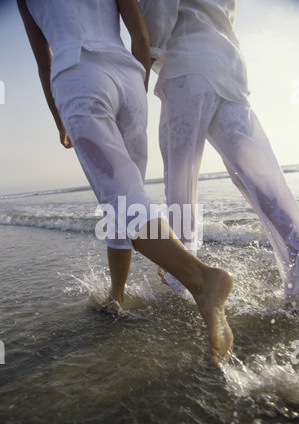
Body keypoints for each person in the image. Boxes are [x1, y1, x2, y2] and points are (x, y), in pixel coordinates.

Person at [17, 0, 234, 366]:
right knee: (127, 196)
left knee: (122, 200)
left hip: (76, 74)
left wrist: (59, 119)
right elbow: (140, 34)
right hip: (128, 76)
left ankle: (203, 280)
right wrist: (137, 84)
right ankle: (116, 297)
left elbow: (44, 60)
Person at [139, 0, 299, 298]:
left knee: (181, 182)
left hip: (187, 68)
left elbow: (158, 10)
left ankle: (182, 278)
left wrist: (147, 58)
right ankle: (297, 266)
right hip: (230, 70)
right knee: (262, 179)